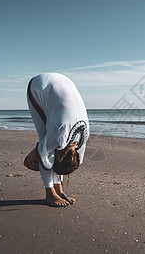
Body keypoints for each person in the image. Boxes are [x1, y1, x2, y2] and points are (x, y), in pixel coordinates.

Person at [24, 73, 89, 207]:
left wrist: (42, 156)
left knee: (51, 148)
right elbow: (43, 152)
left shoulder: (82, 142)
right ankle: (50, 194)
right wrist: (30, 159)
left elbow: (69, 160)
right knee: (44, 139)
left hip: (64, 81)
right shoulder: (60, 134)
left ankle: (59, 190)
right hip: (38, 87)